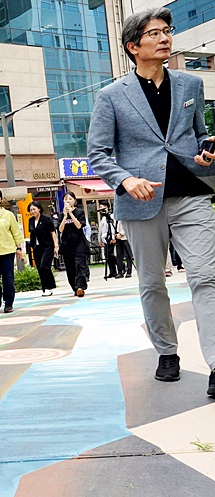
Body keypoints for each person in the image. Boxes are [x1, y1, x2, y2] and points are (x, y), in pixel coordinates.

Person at [87, 7, 215, 394]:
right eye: (154, 33)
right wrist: (125, 179)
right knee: (151, 282)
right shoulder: (111, 96)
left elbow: (200, 135)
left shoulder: (191, 85)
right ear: (133, 46)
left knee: (207, 278)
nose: (165, 38)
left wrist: (206, 151)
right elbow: (97, 153)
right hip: (142, 202)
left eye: (167, 31)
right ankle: (167, 352)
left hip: (191, 194)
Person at [59, 191, 89, 297]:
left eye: (70, 199)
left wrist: (71, 214)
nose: (68, 201)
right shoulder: (61, 214)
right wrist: (65, 216)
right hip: (67, 244)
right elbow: (60, 229)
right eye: (66, 199)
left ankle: (80, 286)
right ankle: (75, 287)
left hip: (79, 243)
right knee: (70, 267)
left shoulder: (79, 212)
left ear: (74, 201)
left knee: (79, 265)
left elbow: (79, 226)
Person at [27, 201, 58, 296]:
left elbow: (53, 233)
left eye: (34, 209)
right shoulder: (31, 221)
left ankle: (49, 287)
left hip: (47, 246)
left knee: (44, 266)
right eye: (31, 210)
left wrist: (56, 246)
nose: (32, 211)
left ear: (39, 209)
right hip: (36, 247)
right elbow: (32, 233)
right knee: (40, 268)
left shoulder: (47, 219)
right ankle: (45, 287)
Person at [98, 206, 121, 279]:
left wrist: (113, 238)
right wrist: (100, 240)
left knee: (109, 254)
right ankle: (112, 271)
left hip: (110, 237)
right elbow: (100, 230)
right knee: (107, 255)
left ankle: (121, 264)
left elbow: (112, 228)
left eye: (103, 208)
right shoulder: (103, 218)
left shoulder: (111, 217)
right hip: (105, 238)